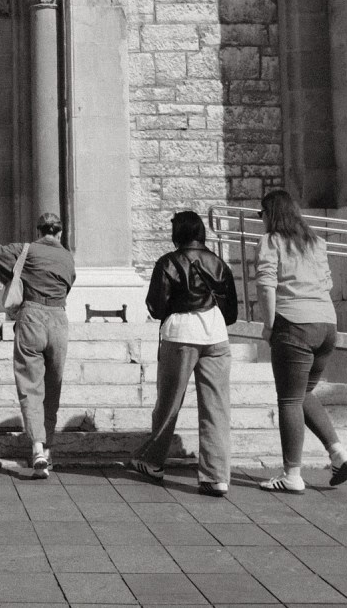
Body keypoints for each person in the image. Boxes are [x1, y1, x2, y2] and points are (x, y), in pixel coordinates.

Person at [129, 210, 239, 496]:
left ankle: (153, 461)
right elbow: (231, 311)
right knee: (216, 407)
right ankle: (216, 476)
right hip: (216, 333)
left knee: (169, 402)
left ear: (177, 233)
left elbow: (156, 306)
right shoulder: (219, 263)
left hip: (181, 334)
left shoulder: (168, 262)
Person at [257, 189, 347, 493]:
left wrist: (269, 326)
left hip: (294, 324)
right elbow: (328, 283)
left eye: (262, 213)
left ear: (271, 214)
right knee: (303, 392)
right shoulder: (316, 242)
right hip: (326, 326)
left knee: (289, 399)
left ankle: (292, 475)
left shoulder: (271, 241)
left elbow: (266, 285)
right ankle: (338, 452)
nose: (261, 219)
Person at [0, 212, 75, 478]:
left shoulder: (26, 249)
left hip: (31, 316)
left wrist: (11, 272)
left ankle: (36, 448)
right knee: (52, 387)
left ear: (39, 231)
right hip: (58, 318)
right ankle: (48, 448)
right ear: (59, 233)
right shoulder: (67, 257)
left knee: (30, 386)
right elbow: (69, 284)